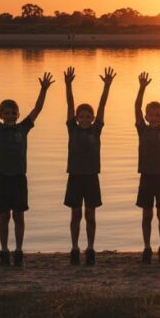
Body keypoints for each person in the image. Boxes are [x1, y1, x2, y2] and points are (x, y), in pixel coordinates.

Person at [0, 70, 54, 267]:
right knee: (3, 216)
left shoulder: (23, 128)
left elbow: (37, 109)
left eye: (13, 112)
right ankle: (4, 250)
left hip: (19, 178)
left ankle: (19, 251)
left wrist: (44, 89)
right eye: (6, 113)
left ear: (18, 114)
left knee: (19, 216)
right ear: (1, 115)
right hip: (3, 178)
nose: (10, 115)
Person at [64, 66, 115, 266]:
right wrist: (68, 85)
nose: (85, 120)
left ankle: (91, 248)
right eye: (81, 117)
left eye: (88, 117)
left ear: (92, 119)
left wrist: (107, 86)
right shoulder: (72, 130)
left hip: (92, 177)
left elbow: (102, 105)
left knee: (90, 215)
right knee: (75, 214)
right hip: (75, 177)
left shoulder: (96, 130)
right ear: (76, 119)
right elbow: (69, 104)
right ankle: (75, 248)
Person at [135, 72, 160, 263]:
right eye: (151, 114)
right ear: (146, 116)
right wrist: (142, 87)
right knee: (146, 214)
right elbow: (136, 107)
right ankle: (146, 247)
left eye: (158, 114)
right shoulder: (142, 129)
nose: (154, 117)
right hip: (146, 177)